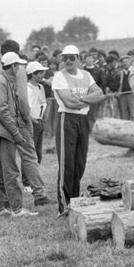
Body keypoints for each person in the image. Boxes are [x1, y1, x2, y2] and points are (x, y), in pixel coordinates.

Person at [0, 40, 49, 206]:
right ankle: (39, 194)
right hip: (16, 119)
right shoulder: (20, 70)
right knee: (29, 156)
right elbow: (23, 98)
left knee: (0, 163)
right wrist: (27, 118)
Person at [52, 45, 104, 215]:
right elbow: (69, 102)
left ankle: (74, 200)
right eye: (65, 57)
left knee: (80, 162)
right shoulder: (59, 77)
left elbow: (100, 94)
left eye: (71, 58)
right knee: (67, 163)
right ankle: (64, 204)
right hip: (67, 118)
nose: (68, 61)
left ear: (78, 58)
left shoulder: (86, 75)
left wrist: (81, 98)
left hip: (82, 119)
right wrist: (88, 99)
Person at [26, 61, 49, 164]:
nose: (42, 75)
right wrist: (32, 119)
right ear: (33, 74)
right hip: (32, 121)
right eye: (40, 73)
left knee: (38, 147)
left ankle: (37, 164)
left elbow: (43, 102)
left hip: (40, 121)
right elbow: (26, 106)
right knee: (32, 147)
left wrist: (43, 115)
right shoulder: (27, 88)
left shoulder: (41, 87)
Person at [116, 55, 134, 120]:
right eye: (123, 62)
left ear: (130, 62)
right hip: (123, 95)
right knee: (124, 113)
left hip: (132, 94)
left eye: (126, 61)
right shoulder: (120, 73)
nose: (125, 63)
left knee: (133, 113)